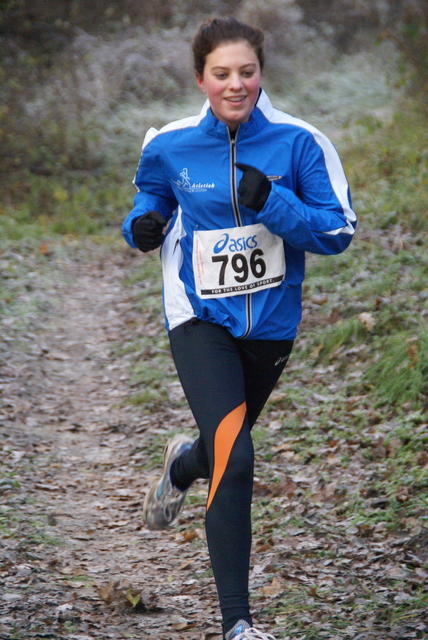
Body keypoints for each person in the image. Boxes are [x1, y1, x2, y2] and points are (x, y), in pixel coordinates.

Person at [122, 16, 357, 640]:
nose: (236, 85)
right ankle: (239, 624)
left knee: (222, 447)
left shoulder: (299, 143)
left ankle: (182, 464)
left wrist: (272, 203)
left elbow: (337, 231)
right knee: (239, 455)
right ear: (200, 78)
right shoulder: (170, 144)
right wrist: (141, 225)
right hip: (199, 316)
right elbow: (152, 197)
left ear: (261, 74)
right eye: (221, 74)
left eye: (246, 72)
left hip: (272, 325)